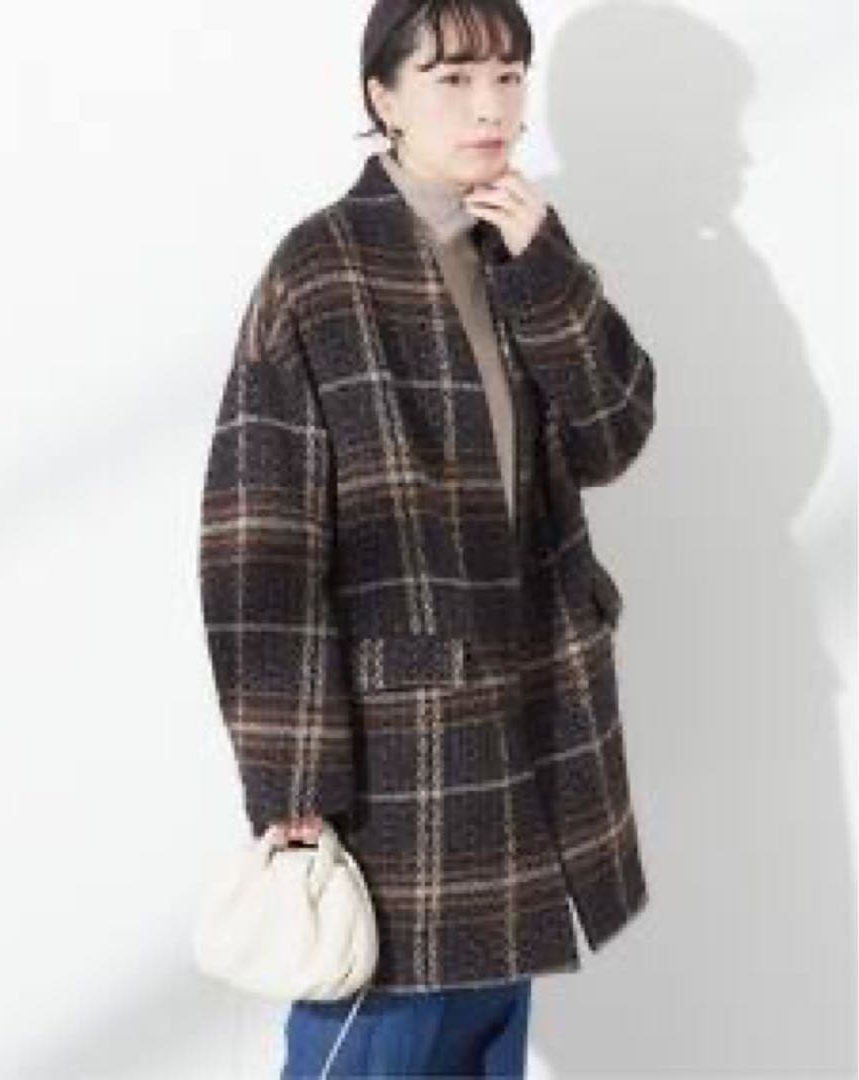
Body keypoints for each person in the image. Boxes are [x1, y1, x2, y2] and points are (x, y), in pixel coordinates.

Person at [198, 0, 657, 1075]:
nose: (490, 106)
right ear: (383, 98)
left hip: (533, 731)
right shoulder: (319, 270)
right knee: (374, 1043)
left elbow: (613, 431)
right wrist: (294, 783)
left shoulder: (520, 248)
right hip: (396, 772)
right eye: (452, 79)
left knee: (486, 1044)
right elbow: (257, 545)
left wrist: (545, 267)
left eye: (508, 76)